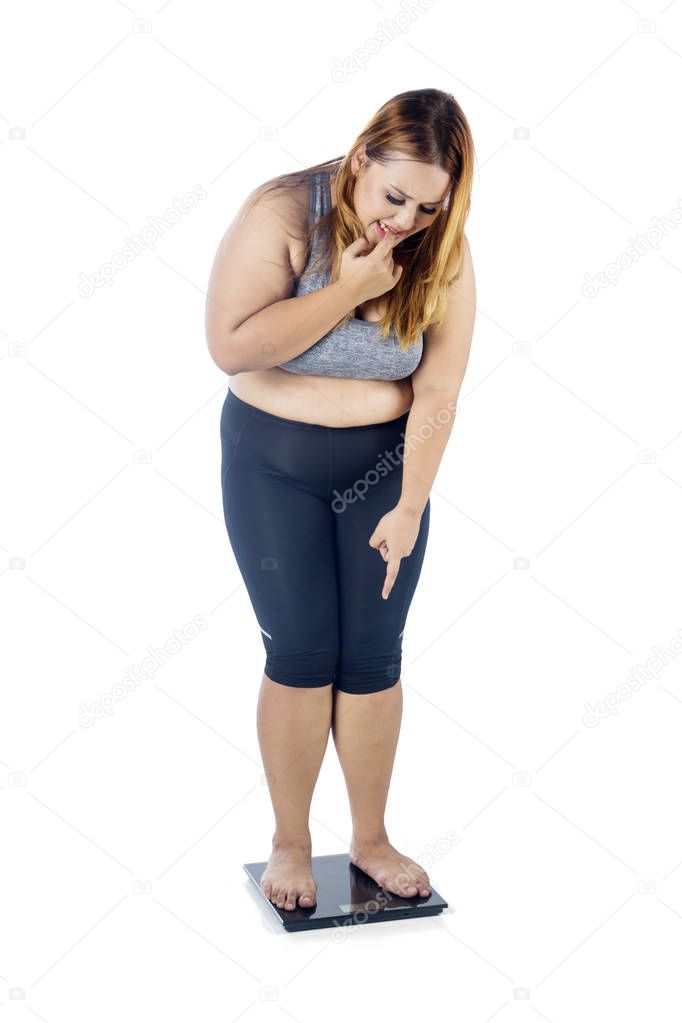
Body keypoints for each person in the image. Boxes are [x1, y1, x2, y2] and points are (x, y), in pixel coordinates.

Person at [205, 88, 476, 912]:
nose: (407, 219)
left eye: (428, 206)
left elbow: (438, 389)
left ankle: (370, 837)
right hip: (273, 464)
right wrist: (345, 285)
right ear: (360, 159)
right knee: (301, 648)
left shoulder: (442, 247)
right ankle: (290, 840)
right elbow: (231, 347)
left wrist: (409, 506)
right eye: (394, 196)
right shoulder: (285, 212)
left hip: (384, 469)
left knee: (370, 655)